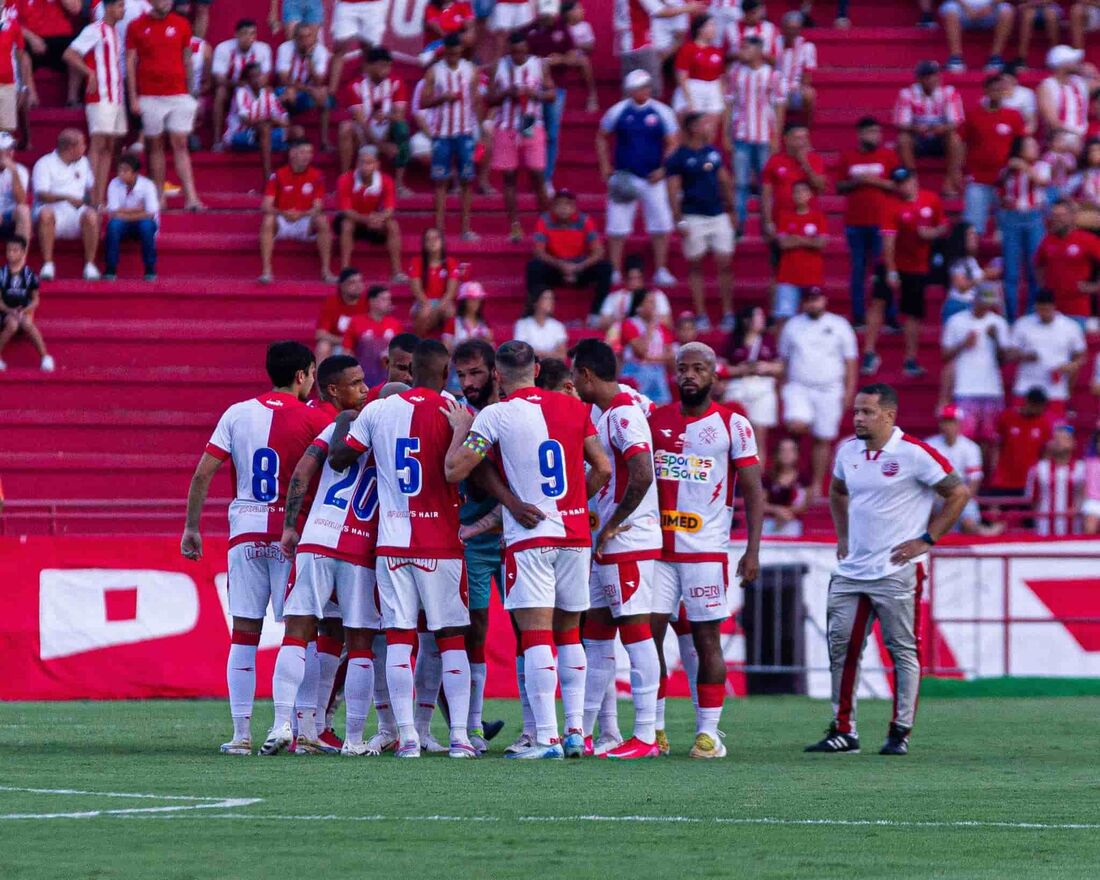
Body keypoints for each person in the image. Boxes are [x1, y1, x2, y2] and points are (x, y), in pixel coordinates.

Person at [444, 340, 612, 759]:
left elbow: (455, 469)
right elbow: (604, 468)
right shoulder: (574, 409)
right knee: (570, 634)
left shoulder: (497, 415)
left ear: (498, 376)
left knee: (536, 635)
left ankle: (547, 739)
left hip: (530, 537)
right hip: (574, 535)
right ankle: (576, 732)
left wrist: (463, 429)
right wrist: (570, 505)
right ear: (536, 369)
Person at [180, 341, 331, 756]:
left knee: (244, 635)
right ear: (302, 375)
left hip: (244, 534)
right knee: (303, 635)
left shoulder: (237, 413)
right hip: (291, 536)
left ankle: (241, 735)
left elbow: (202, 474)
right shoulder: (315, 418)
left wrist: (192, 528)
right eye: (312, 374)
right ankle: (304, 730)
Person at [329, 340, 477, 759]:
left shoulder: (378, 409)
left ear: (410, 371)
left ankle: (407, 737)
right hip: (442, 546)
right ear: (445, 370)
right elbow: (470, 469)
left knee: (398, 640)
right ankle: (461, 738)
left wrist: (345, 418)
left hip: (391, 544)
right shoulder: (456, 411)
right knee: (450, 640)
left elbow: (343, 455)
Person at [805, 383, 968, 756]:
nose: (858, 418)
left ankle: (900, 731)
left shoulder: (916, 454)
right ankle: (843, 730)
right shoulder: (848, 451)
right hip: (851, 571)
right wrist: (843, 537)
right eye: (856, 412)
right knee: (841, 647)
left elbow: (958, 492)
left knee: (901, 651)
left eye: (867, 412)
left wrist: (927, 539)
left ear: (889, 415)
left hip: (896, 570)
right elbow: (837, 491)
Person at [648, 341, 764, 758]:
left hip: (705, 551)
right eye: (683, 368)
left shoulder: (734, 425)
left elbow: (753, 491)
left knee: (705, 639)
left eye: (698, 369)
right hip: (657, 551)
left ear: (714, 375)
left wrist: (752, 550)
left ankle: (708, 734)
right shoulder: (653, 419)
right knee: (648, 638)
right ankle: (653, 730)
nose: (690, 376)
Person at [263, 355, 370, 756]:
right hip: (357, 544)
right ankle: (350, 737)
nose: (364, 389)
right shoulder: (368, 422)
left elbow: (302, 473)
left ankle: (290, 726)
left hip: (316, 537)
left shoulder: (331, 423)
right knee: (356, 641)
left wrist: (292, 526)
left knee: (303, 630)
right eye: (356, 383)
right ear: (332, 389)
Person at [567, 338, 663, 760]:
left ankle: (644, 736)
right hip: (608, 539)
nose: (572, 382)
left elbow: (641, 473)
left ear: (586, 375)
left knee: (636, 631)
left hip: (628, 539)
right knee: (598, 634)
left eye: (575, 375)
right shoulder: (611, 411)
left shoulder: (623, 414)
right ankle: (585, 733)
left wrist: (615, 522)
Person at [450, 338, 506, 752]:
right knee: (475, 630)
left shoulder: (508, 413)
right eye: (462, 374)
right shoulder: (461, 414)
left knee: (534, 629)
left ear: (495, 372)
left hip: (518, 534)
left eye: (476, 373)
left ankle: (544, 729)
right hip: (475, 539)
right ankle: (471, 726)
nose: (468, 382)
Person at [863, 168, 947, 378]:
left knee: (913, 312)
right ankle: (869, 352)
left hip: (917, 266)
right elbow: (888, 241)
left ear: (915, 180)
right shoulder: (891, 204)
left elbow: (943, 224)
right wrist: (891, 271)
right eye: (899, 183)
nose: (904, 186)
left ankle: (910, 359)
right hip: (893, 262)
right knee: (879, 301)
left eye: (907, 181)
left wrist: (932, 233)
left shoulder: (931, 199)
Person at [597, 69, 679, 285]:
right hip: (625, 176)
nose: (642, 91)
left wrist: (663, 169)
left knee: (660, 225)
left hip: (653, 178)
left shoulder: (662, 112)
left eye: (645, 87)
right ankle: (614, 269)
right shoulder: (618, 111)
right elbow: (601, 137)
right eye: (637, 88)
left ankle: (661, 269)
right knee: (617, 226)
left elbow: (673, 143)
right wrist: (605, 166)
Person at [779, 288, 858, 498]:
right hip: (799, 386)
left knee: (822, 437)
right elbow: (784, 360)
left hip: (830, 388)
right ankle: (791, 478)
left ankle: (814, 486)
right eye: (809, 300)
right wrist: (781, 388)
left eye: (816, 299)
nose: (813, 304)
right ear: (804, 303)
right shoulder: (792, 326)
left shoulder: (840, 325)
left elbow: (850, 361)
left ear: (824, 300)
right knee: (796, 425)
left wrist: (849, 391)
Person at [126, 0, 203, 211]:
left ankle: (191, 197)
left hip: (178, 93)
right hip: (150, 95)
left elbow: (187, 58)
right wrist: (133, 96)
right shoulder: (136, 26)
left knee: (180, 143)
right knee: (155, 146)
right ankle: (159, 197)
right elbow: (131, 62)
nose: (167, 2)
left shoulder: (181, 24)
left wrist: (192, 92)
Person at [665, 112, 735, 331]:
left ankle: (727, 312)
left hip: (717, 213)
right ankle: (701, 314)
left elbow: (724, 180)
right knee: (695, 264)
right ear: (693, 128)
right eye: (704, 124)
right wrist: (678, 218)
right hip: (693, 215)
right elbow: (673, 188)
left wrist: (732, 208)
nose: (708, 128)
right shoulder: (678, 157)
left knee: (725, 262)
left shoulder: (713, 153)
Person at [487, 32, 554, 242]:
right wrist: (507, 93)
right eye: (515, 51)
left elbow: (552, 94)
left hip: (532, 124)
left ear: (528, 49)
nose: (519, 55)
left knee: (537, 175)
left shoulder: (539, 65)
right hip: (505, 127)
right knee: (508, 178)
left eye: (522, 51)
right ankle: (515, 226)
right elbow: (489, 98)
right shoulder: (499, 66)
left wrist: (536, 94)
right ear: (509, 50)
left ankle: (545, 224)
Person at [524, 5, 598, 191]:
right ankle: (530, 172)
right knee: (528, 130)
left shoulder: (562, 29)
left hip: (556, 89)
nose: (550, 18)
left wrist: (561, 59)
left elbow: (574, 58)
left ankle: (546, 178)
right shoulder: (527, 30)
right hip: (530, 90)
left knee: (551, 133)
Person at [837, 117, 899, 328]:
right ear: (860, 134)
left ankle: (890, 315)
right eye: (871, 132)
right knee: (858, 270)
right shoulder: (848, 157)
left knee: (883, 269)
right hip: (855, 222)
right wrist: (857, 182)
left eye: (877, 132)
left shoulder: (889, 157)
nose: (875, 136)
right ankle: (859, 315)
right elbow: (839, 185)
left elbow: (899, 185)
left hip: (882, 223)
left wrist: (874, 181)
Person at [64, 0, 127, 209]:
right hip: (100, 96)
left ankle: (99, 199)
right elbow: (70, 54)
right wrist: (88, 72)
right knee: (99, 145)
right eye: (120, 6)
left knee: (109, 147)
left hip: (115, 97)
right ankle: (90, 195)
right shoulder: (94, 29)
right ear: (108, 8)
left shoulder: (115, 32)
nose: (123, 10)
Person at [421, 34, 481, 241]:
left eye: (456, 53)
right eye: (449, 53)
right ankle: (439, 229)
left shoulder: (471, 70)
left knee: (466, 181)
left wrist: (479, 129)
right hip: (441, 134)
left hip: (465, 131)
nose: (453, 57)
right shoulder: (434, 71)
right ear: (444, 51)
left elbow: (476, 100)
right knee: (440, 182)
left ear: (461, 51)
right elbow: (423, 102)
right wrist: (441, 98)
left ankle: (466, 228)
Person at [726, 35, 785, 235]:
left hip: (764, 135)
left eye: (746, 48)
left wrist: (776, 135)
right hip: (741, 134)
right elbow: (729, 103)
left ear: (758, 51)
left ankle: (768, 222)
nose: (742, 52)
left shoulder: (772, 75)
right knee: (740, 182)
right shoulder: (735, 73)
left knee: (766, 183)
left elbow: (779, 105)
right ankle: (739, 223)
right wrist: (727, 134)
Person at [525, 188, 613, 321]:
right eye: (559, 204)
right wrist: (560, 265)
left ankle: (595, 313)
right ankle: (543, 314)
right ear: (553, 206)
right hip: (555, 267)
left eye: (568, 204)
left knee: (605, 268)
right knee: (534, 267)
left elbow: (599, 251)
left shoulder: (584, 221)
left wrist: (580, 266)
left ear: (574, 207)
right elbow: (538, 251)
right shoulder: (544, 220)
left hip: (580, 267)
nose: (563, 208)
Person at [941, 286, 1010, 446]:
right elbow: (945, 355)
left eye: (988, 303)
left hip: (992, 389)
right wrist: (963, 344)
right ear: (974, 300)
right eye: (982, 302)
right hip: (965, 388)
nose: (985, 307)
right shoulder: (956, 321)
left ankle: (986, 471)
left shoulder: (998, 323)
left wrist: (996, 340)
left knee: (991, 438)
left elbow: (1004, 360)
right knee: (964, 438)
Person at [259, 138, 334, 285]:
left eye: (310, 152)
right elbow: (266, 205)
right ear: (292, 154)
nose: (307, 156)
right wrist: (284, 212)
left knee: (322, 220)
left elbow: (318, 207)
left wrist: (301, 214)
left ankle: (326, 271)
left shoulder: (317, 176)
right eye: (303, 152)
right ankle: (266, 271)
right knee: (268, 219)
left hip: (304, 220)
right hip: (283, 220)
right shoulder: (278, 175)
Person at [960, 73, 1026, 236]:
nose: (996, 93)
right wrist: (959, 169)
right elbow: (962, 143)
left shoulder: (1013, 116)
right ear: (986, 91)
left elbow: (1018, 146)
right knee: (973, 226)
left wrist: (1010, 172)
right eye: (993, 89)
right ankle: (970, 259)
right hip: (978, 178)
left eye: (999, 89)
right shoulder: (973, 115)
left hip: (1004, 179)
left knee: (1006, 227)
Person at [339, 48, 411, 194]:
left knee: (402, 128)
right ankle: (345, 179)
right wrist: (381, 146)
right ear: (368, 66)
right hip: (365, 134)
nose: (386, 70)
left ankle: (399, 184)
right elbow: (360, 121)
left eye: (388, 66)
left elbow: (399, 116)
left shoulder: (396, 82)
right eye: (381, 65)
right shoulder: (355, 85)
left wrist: (387, 117)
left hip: (387, 130)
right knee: (345, 127)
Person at [31, 128, 100, 281]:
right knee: (45, 214)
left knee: (91, 215)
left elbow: (91, 187)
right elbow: (40, 194)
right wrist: (66, 198)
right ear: (71, 148)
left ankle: (90, 266)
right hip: (53, 214)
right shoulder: (44, 163)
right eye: (82, 145)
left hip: (77, 214)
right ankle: (48, 265)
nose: (85, 148)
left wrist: (94, 204)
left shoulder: (83, 162)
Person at [761, 123, 827, 275]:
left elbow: (820, 187)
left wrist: (805, 163)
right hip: (782, 222)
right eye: (797, 138)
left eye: (804, 138)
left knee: (808, 268)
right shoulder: (774, 161)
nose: (802, 142)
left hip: (809, 222)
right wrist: (768, 221)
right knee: (778, 269)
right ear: (786, 139)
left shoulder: (814, 159)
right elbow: (766, 194)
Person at [1009, 290, 1087, 419]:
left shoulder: (1070, 327)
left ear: (1054, 307)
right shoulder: (1023, 324)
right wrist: (1024, 356)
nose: (1044, 313)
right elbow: (1009, 354)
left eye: (1047, 310)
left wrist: (1071, 366)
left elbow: (1081, 355)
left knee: (1055, 430)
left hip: (1055, 389)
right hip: (1026, 386)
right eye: (1040, 310)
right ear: (1035, 308)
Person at [892, 60, 964, 197]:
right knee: (903, 139)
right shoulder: (907, 94)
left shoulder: (949, 92)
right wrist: (917, 128)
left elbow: (955, 122)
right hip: (918, 139)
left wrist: (941, 129)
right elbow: (901, 123)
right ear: (919, 79)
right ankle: (912, 181)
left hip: (941, 138)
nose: (931, 79)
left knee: (955, 138)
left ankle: (949, 182)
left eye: (934, 75)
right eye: (927, 76)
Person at [926, 404, 1000, 535]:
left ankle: (983, 533)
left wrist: (957, 500)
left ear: (959, 424)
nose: (947, 426)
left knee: (969, 523)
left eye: (951, 421)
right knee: (927, 510)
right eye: (944, 421)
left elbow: (974, 482)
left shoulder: (971, 447)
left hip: (962, 495)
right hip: (935, 496)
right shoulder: (929, 445)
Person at [998, 135, 1050, 323]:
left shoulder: (1042, 166)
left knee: (1034, 268)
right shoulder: (1008, 169)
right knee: (1011, 271)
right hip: (1012, 218)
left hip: (1034, 217)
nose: (1034, 148)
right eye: (1030, 146)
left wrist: (1024, 167)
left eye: (1035, 145)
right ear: (1019, 149)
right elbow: (1000, 188)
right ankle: (1011, 317)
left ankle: (1030, 314)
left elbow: (1043, 182)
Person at [335, 146, 403, 281]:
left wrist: (379, 219)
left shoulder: (386, 180)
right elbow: (346, 211)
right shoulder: (345, 179)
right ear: (357, 164)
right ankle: (345, 271)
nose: (365, 166)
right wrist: (368, 220)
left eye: (369, 163)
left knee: (393, 225)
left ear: (377, 165)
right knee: (347, 224)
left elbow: (389, 209)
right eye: (362, 162)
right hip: (354, 220)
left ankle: (397, 272)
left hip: (374, 221)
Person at [725, 304, 782, 459]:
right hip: (738, 387)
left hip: (762, 387)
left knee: (758, 438)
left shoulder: (768, 340)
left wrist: (767, 367)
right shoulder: (733, 340)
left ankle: (756, 481)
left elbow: (780, 367)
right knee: (735, 436)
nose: (762, 320)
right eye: (759, 316)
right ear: (746, 320)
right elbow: (721, 368)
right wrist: (739, 370)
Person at [1035, 200, 1100, 329]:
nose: (1056, 219)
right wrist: (1043, 285)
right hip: (1052, 310)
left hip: (1077, 309)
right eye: (1054, 215)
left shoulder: (1087, 240)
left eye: (1061, 215)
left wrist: (1095, 286)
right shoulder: (1047, 240)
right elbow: (1039, 265)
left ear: (1072, 217)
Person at [210, 18, 273, 147]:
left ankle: (265, 135)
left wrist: (249, 87)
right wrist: (239, 85)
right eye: (244, 33)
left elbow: (265, 77)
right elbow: (219, 79)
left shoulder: (263, 49)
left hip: (253, 88)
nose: (249, 37)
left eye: (252, 33)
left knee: (268, 90)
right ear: (236, 35)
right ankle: (217, 140)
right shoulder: (223, 48)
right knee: (220, 92)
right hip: (231, 87)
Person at [222, 62, 289, 182]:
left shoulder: (268, 93)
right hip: (239, 136)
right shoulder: (241, 92)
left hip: (262, 136)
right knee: (265, 129)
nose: (257, 79)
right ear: (247, 80)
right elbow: (247, 121)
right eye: (252, 77)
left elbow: (285, 120)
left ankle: (290, 179)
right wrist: (272, 121)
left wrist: (275, 121)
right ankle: (268, 178)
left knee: (297, 132)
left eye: (259, 75)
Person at [774, 179, 828, 326]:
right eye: (796, 192)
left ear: (810, 195)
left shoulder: (818, 217)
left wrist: (797, 239)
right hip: (788, 276)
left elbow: (821, 243)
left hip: (812, 276)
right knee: (784, 318)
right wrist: (809, 241)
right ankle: (782, 349)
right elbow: (783, 243)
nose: (799, 195)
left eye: (803, 191)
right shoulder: (785, 216)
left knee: (813, 318)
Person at [274, 24, 333, 150]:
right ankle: (287, 139)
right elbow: (283, 79)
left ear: (314, 38)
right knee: (288, 93)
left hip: (308, 93)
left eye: (308, 37)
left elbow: (319, 81)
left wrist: (309, 58)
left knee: (323, 96)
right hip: (288, 89)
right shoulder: (285, 48)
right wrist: (309, 89)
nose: (305, 41)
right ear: (294, 38)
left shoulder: (321, 51)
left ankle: (324, 141)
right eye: (301, 38)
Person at [988, 386, 1053, 497]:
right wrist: (995, 471)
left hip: (1028, 481)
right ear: (1029, 403)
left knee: (1026, 513)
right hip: (1003, 479)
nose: (1042, 410)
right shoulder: (1006, 417)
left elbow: (1045, 452)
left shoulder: (1044, 424)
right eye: (1039, 406)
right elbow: (996, 447)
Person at [327, 0, 389, 116]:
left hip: (374, 4)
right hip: (346, 4)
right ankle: (331, 93)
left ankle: (368, 93)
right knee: (340, 46)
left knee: (371, 50)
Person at [104, 153, 158, 280]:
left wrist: (124, 214)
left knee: (146, 226)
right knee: (114, 225)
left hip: (142, 223)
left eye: (125, 171)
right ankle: (111, 268)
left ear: (135, 173)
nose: (121, 174)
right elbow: (113, 212)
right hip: (124, 223)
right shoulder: (114, 183)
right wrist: (139, 211)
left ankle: (150, 269)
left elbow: (150, 213)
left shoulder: (147, 185)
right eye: (119, 170)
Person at [0, 235, 51, 372]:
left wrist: (25, 310)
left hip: (24, 311)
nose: (11, 253)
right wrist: (10, 310)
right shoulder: (2, 274)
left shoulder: (29, 274)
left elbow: (35, 300)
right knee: (12, 324)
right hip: (5, 312)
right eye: (9, 250)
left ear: (23, 252)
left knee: (27, 323)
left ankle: (45, 357)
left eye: (15, 250)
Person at [1027, 424, 1086, 536]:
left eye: (1064, 439)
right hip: (1045, 528)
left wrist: (1076, 509)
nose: (1059, 442)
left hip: (1074, 528)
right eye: (1056, 439)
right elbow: (1033, 499)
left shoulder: (1082, 468)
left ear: (1073, 443)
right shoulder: (1039, 468)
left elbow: (1085, 497)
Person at [619, 289, 675, 404]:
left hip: (658, 373)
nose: (653, 307)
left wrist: (649, 359)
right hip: (635, 372)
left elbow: (671, 356)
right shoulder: (629, 324)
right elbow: (641, 351)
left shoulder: (662, 328)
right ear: (639, 306)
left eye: (654, 303)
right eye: (649, 302)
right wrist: (649, 328)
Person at [342, 284, 404, 386]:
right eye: (384, 299)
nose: (389, 303)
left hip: (389, 380)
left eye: (389, 299)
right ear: (372, 302)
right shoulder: (356, 322)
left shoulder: (395, 324)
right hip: (363, 379)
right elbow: (347, 351)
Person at [941, 222, 1003, 322]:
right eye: (970, 234)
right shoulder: (957, 261)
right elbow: (961, 286)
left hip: (972, 305)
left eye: (975, 234)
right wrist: (984, 275)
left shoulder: (971, 261)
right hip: (958, 305)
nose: (974, 238)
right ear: (961, 238)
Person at [409, 226, 464, 338]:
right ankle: (419, 343)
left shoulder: (451, 262)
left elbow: (451, 290)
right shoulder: (417, 261)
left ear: (442, 242)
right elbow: (416, 289)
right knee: (424, 312)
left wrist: (440, 305)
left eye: (436, 238)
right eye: (428, 239)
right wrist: (427, 304)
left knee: (450, 311)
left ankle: (447, 343)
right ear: (424, 244)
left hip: (443, 300)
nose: (432, 242)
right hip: (424, 301)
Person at [671, 15, 725, 127]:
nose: (714, 29)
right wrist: (689, 101)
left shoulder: (716, 51)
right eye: (710, 25)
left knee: (709, 129)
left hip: (712, 90)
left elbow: (720, 77)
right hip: (692, 88)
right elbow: (681, 76)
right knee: (690, 128)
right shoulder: (688, 48)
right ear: (700, 29)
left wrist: (720, 98)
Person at [598, 253, 672, 330]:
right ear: (625, 278)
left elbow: (668, 323)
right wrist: (619, 320)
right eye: (631, 278)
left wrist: (650, 317)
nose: (635, 282)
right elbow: (602, 323)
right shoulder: (614, 297)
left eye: (638, 278)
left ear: (643, 277)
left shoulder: (657, 295)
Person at [938, 0, 1014, 72]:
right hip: (963, 9)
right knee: (950, 9)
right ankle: (956, 58)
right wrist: (967, 8)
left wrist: (989, 7)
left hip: (990, 10)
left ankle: (995, 57)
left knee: (1007, 10)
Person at [1038, 45, 1089, 144]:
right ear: (1062, 64)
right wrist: (1076, 134)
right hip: (1060, 137)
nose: (1077, 63)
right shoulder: (1047, 86)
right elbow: (1053, 123)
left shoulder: (1079, 82)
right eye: (1073, 60)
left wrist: (1090, 70)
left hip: (1082, 137)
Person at [315, 267, 367, 360]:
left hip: (360, 347)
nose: (358, 285)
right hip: (338, 345)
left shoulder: (367, 303)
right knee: (323, 346)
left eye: (360, 281)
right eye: (352, 282)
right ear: (342, 286)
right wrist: (345, 341)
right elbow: (320, 334)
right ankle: (321, 374)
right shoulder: (331, 303)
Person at [775, 10, 817, 124]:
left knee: (809, 94)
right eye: (789, 28)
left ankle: (805, 127)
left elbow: (807, 77)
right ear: (782, 28)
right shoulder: (774, 44)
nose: (792, 32)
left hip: (794, 90)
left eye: (795, 29)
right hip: (774, 87)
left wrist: (798, 88)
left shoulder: (807, 47)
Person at [762, 437, 807, 536]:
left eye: (791, 450)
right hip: (769, 522)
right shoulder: (767, 478)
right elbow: (761, 503)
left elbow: (803, 505)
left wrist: (786, 513)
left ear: (797, 454)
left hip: (793, 522)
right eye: (783, 450)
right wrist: (777, 510)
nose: (787, 454)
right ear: (776, 454)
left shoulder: (803, 479)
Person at [0, 10, 30, 140]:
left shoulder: (13, 25)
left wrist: (22, 86)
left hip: (8, 83)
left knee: (6, 131)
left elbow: (21, 58)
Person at [514, 289, 568, 361]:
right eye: (546, 298)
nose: (551, 302)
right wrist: (551, 354)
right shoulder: (522, 324)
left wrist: (539, 353)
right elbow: (521, 351)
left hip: (551, 368)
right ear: (536, 302)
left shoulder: (558, 326)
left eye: (552, 299)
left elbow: (562, 355)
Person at [0, 132, 30, 244]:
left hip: (10, 217)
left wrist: (14, 173)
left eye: (11, 149)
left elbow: (21, 201)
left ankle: (21, 260)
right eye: (6, 149)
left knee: (23, 210)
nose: (10, 153)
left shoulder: (20, 170)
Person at [443, 281, 493, 349]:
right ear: (463, 302)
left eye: (478, 299)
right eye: (472, 299)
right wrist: (466, 342)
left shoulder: (485, 323)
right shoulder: (453, 322)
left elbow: (492, 347)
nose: (475, 303)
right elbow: (445, 349)